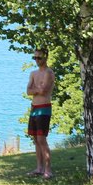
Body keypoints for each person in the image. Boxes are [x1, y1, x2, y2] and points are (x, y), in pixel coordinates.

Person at [25, 48, 55, 178]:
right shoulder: (33, 73)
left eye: (39, 58)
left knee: (42, 138)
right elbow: (28, 91)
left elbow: (43, 91)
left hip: (44, 107)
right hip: (34, 108)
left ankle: (48, 170)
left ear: (46, 57)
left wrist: (35, 89)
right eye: (35, 58)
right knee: (36, 139)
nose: (37, 60)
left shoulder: (49, 73)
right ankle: (39, 168)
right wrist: (37, 88)